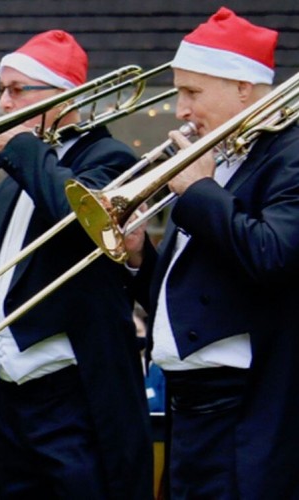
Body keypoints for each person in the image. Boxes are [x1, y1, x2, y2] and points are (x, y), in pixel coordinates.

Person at [0, 30, 152, 499]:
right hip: (10, 396)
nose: (5, 103)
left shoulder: (109, 157)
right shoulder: (15, 178)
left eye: (18, 90)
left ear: (65, 95)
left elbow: (78, 224)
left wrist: (24, 148)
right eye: (2, 91)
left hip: (73, 394)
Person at [124, 7, 299, 499]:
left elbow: (273, 255)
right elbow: (196, 285)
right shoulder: (217, 156)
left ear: (243, 88)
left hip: (245, 407)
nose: (180, 109)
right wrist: (141, 258)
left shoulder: (289, 153)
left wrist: (200, 192)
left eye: (192, 92)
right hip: (189, 407)